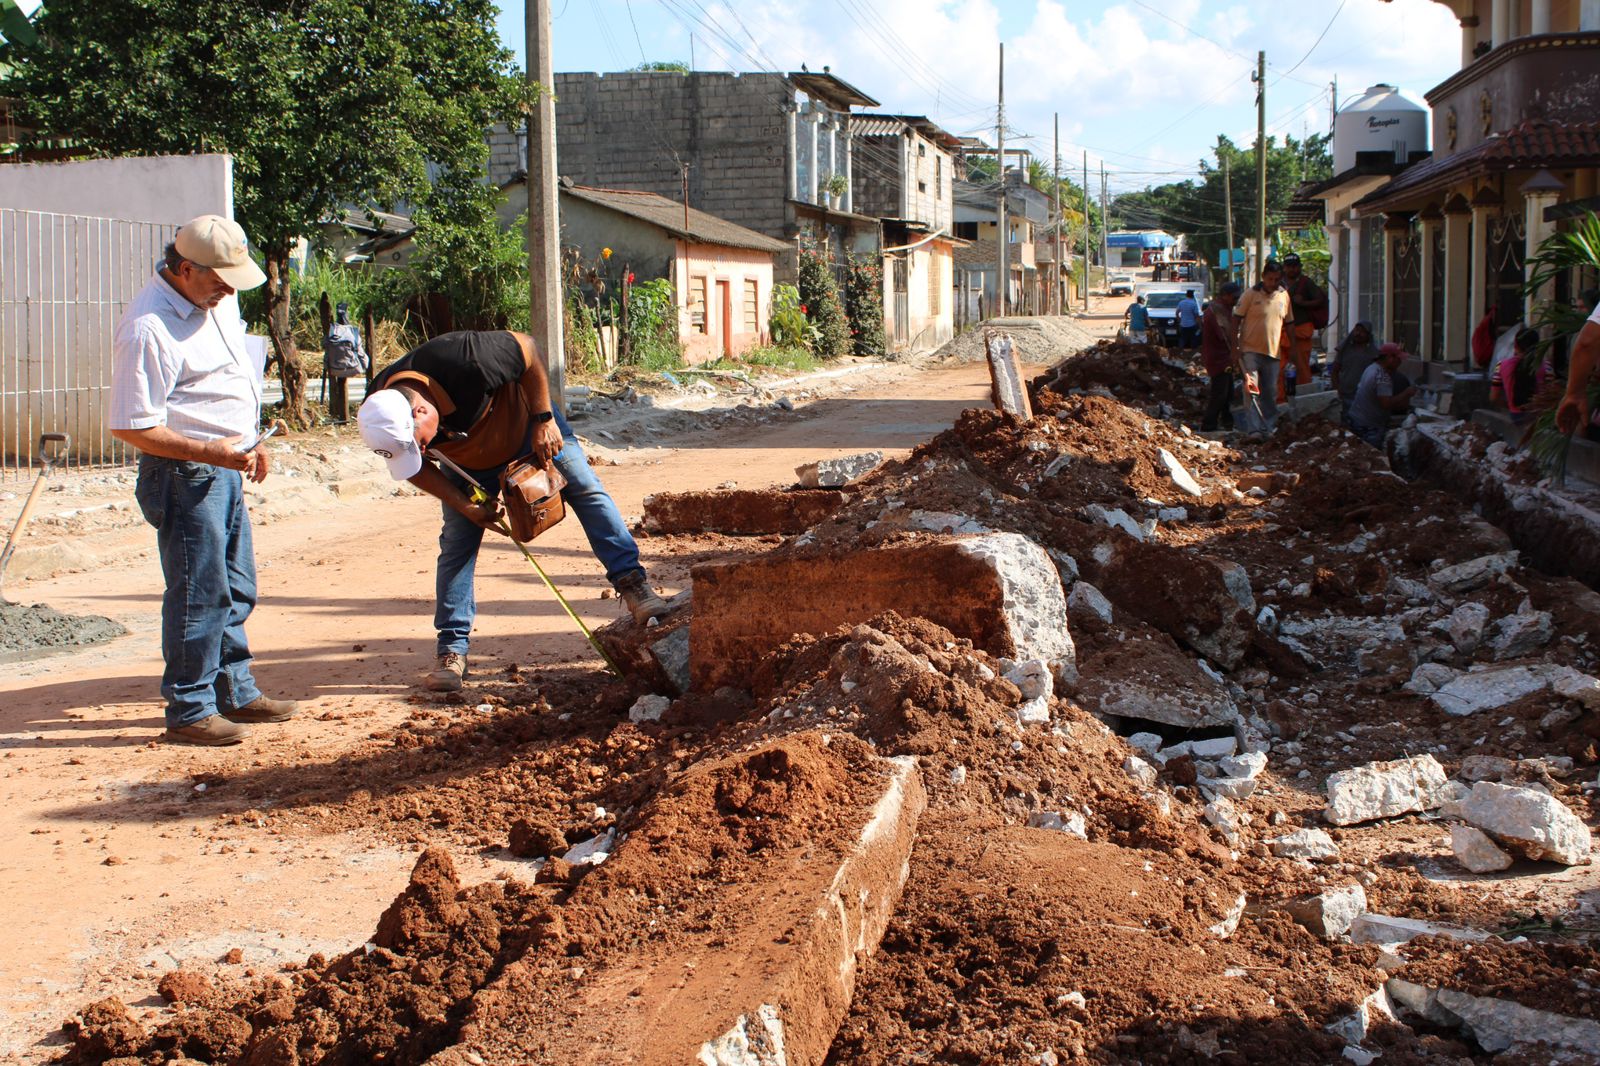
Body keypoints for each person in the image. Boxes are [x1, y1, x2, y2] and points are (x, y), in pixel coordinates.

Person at [357, 331, 668, 692]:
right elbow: (414, 468)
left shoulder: (466, 358)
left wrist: (543, 418)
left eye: (421, 443)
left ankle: (634, 586)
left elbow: (530, 350)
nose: (422, 451)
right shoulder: (379, 410)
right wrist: (463, 504)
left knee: (585, 489)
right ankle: (452, 651)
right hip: (467, 465)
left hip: (528, 427)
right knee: (457, 542)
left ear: (421, 411)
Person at [109, 215, 299, 746]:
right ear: (185, 268)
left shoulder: (214, 297)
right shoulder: (150, 327)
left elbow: (229, 376)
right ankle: (191, 707)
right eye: (219, 280)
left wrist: (250, 439)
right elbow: (133, 424)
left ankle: (234, 689)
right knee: (200, 592)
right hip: (184, 473)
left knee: (237, 586)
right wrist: (208, 451)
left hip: (225, 463)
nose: (227, 290)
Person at [1231, 260, 1292, 437]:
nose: (1273, 283)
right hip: (1250, 351)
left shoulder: (1283, 296)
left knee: (1271, 392)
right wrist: (1235, 348)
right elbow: (1236, 320)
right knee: (1251, 390)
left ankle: (1269, 426)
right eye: (1270, 279)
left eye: (1277, 279)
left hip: (1273, 353)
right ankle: (1254, 430)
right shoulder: (1250, 295)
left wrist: (1293, 350)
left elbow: (1289, 324)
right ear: (1264, 277)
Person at [1347, 343, 1418, 447]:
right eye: (1399, 359)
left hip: (1357, 420)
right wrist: (1406, 393)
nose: (1400, 363)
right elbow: (1386, 404)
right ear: (1390, 358)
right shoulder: (1382, 377)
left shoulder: (1372, 368)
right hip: (1369, 426)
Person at [1278, 253, 1326, 403]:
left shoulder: (1306, 283)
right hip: (1281, 333)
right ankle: (1280, 400)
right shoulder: (1277, 283)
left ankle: (1304, 400)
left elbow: (1320, 300)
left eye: (1294, 266)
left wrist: (1303, 303)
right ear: (1284, 268)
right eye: (1288, 267)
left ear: (1299, 267)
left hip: (1300, 332)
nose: (1291, 270)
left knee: (1302, 368)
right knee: (1279, 369)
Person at [1200, 282, 1243, 432]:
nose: (1236, 300)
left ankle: (1227, 421)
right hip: (1218, 358)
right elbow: (1225, 336)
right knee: (1220, 393)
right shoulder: (1217, 312)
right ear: (1225, 296)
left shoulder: (1223, 309)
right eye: (1234, 297)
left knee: (1228, 392)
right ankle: (1209, 425)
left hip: (1222, 357)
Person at [1329, 321, 1382, 427]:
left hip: (1362, 396)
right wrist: (1336, 389)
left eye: (1362, 331)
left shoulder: (1373, 354)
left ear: (1368, 335)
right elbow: (1335, 371)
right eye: (1357, 330)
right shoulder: (1345, 350)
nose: (1358, 333)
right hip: (1344, 393)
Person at [1491, 328, 1552, 420]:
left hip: (1515, 416)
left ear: (1515, 345)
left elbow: (1494, 397)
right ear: (1537, 346)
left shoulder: (1501, 365)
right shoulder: (1546, 366)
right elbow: (1551, 397)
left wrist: (1510, 406)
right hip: (1538, 419)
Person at [321, 302, 369, 403]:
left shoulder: (331, 332)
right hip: (354, 368)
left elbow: (325, 347)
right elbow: (361, 354)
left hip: (333, 369)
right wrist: (365, 365)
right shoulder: (353, 332)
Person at [1175, 289, 1201, 355]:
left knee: (1183, 339)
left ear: (1186, 295)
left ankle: (1180, 353)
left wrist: (1179, 321)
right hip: (1192, 325)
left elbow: (1177, 313)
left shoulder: (1181, 303)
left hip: (1183, 325)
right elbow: (1197, 316)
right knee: (1193, 339)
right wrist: (1199, 325)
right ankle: (1193, 354)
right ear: (1192, 296)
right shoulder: (1193, 304)